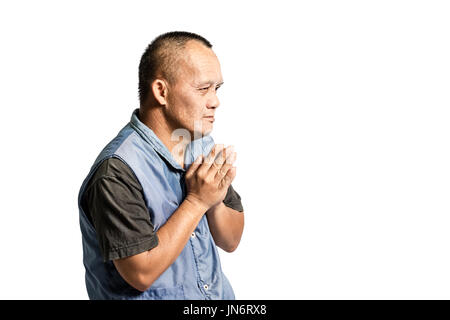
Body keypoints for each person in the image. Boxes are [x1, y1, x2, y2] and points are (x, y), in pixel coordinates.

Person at [78, 31, 244, 300]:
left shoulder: (199, 144)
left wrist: (214, 200)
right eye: (203, 89)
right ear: (161, 92)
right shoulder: (116, 172)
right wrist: (197, 201)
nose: (215, 101)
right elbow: (140, 273)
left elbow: (231, 240)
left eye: (217, 89)